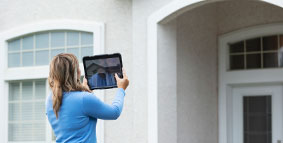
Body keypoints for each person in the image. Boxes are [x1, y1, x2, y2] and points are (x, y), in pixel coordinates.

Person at [45, 53, 129, 143]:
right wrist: (121, 89)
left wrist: (84, 92)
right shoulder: (84, 99)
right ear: (76, 72)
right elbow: (114, 112)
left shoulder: (50, 100)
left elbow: (73, 117)